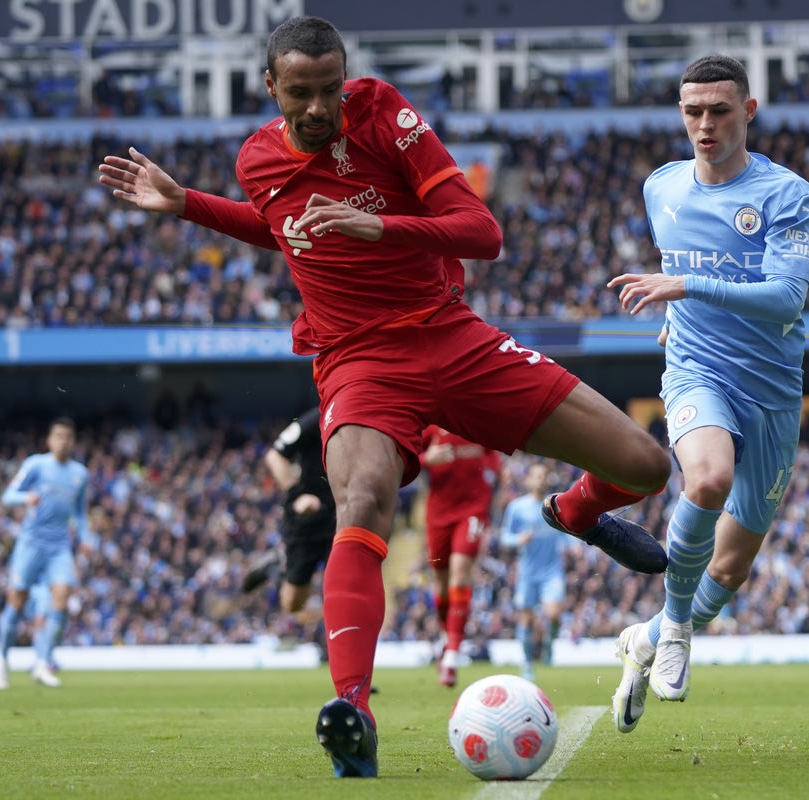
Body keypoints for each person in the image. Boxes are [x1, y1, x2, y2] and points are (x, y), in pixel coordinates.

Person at [98, 15, 669, 778]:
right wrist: (189, 204)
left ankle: (575, 510)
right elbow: (286, 229)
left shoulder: (384, 115)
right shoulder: (256, 160)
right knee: (362, 497)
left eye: (330, 89)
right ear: (271, 88)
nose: (318, 107)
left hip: (449, 335)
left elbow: (482, 232)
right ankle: (353, 714)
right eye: (300, 93)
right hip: (358, 361)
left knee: (644, 464)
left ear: (346, 78)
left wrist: (382, 227)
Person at [605, 54, 809, 733]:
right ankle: (674, 628)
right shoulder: (662, 187)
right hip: (698, 370)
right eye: (693, 111)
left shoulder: (789, 196)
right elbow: (683, 273)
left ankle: (646, 639)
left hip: (772, 390)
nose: (705, 124)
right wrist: (680, 312)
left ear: (748, 112)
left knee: (728, 571)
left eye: (719, 110)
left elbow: (787, 297)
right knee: (706, 480)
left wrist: (685, 287)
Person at [0, 418, 94, 690]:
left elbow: (80, 513)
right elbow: (8, 495)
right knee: (17, 601)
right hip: (32, 542)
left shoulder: (80, 474)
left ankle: (42, 662)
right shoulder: (36, 465)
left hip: (60, 545)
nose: (63, 441)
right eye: (58, 436)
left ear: (73, 441)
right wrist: (25, 498)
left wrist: (85, 537)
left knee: (61, 597)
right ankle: (2, 660)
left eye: (68, 437)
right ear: (49, 440)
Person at [243, 405, 336, 633]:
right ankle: (274, 566)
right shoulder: (318, 418)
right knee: (292, 603)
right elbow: (275, 455)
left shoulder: (365, 417)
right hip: (308, 518)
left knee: (339, 585)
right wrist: (297, 495)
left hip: (341, 517)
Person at [419, 425, 500, 688]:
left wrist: (499, 478)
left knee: (460, 575)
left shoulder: (476, 423)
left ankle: (452, 655)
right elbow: (405, 459)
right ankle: (448, 639)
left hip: (473, 510)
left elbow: (495, 462)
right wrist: (426, 459)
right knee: (442, 586)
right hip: (438, 515)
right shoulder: (430, 428)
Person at [499, 461, 573, 681]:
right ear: (528, 480)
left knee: (554, 614)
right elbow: (504, 537)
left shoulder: (555, 505)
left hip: (552, 571)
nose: (541, 480)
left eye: (544, 476)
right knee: (526, 619)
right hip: (527, 573)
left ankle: (549, 644)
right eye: (537, 476)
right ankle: (527, 663)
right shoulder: (517, 507)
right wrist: (518, 540)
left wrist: (574, 546)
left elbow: (566, 531)